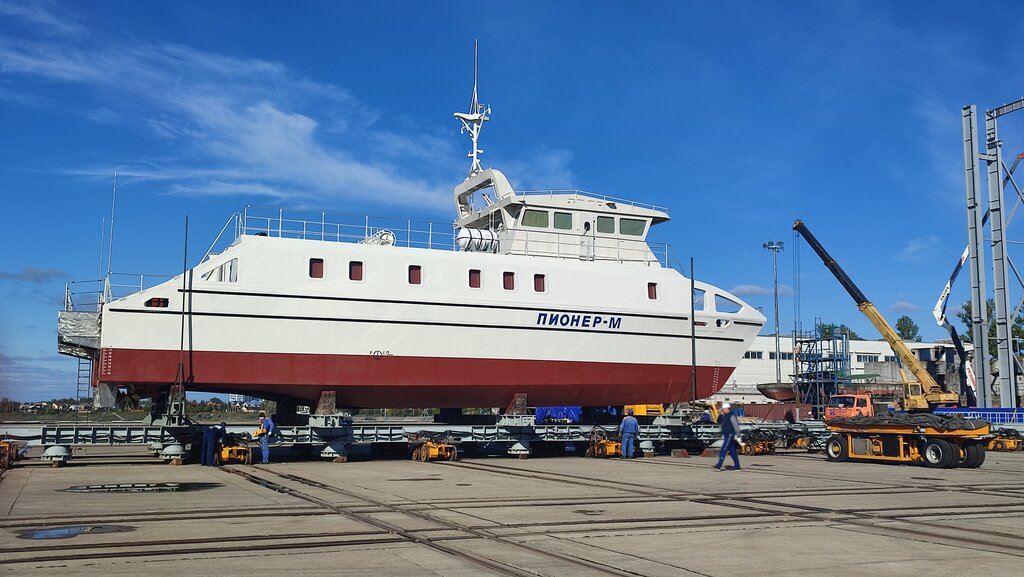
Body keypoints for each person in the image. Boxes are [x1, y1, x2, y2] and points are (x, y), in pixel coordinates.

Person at [714, 402, 741, 471]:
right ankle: (737, 466)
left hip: (730, 435)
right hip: (726, 435)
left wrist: (738, 435)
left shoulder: (732, 416)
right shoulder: (724, 416)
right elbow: (718, 421)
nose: (723, 410)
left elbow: (736, 425)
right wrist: (720, 415)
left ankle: (719, 465)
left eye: (723, 409)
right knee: (732, 452)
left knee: (723, 449)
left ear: (727, 409)